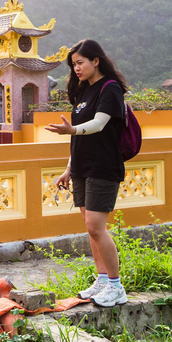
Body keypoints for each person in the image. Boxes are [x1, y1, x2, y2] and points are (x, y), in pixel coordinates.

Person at [45, 39, 128, 308]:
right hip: (81, 167)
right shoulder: (83, 92)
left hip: (103, 166)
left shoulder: (110, 89)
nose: (76, 68)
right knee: (91, 230)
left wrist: (72, 131)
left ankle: (116, 286)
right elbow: (79, 136)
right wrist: (69, 168)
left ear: (96, 60)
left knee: (96, 226)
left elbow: (99, 124)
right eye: (73, 65)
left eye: (80, 62)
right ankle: (102, 280)